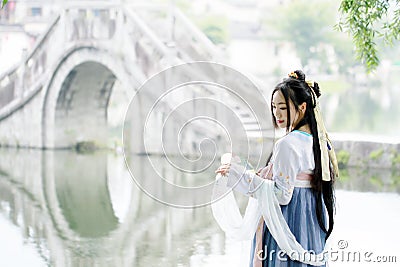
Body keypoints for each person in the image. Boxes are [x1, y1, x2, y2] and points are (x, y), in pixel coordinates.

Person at [213, 70, 339, 267]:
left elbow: (282, 194)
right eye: (273, 107)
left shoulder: (288, 144)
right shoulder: (320, 143)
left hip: (287, 222)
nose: (276, 114)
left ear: (302, 107)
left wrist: (236, 176)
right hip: (310, 222)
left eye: (282, 107)